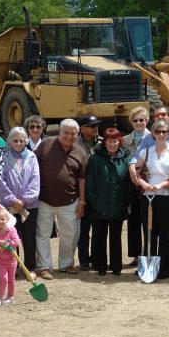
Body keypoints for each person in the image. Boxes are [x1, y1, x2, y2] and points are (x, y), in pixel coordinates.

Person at [130, 106, 169, 275]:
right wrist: (143, 184)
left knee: (166, 232)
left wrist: (160, 186)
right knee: (150, 231)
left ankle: (165, 267)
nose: (162, 135)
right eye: (158, 132)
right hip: (148, 196)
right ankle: (148, 265)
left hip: (167, 195)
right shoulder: (146, 150)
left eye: (165, 132)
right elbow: (136, 168)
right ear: (153, 134)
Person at [34, 119, 87, 278]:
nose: (69, 136)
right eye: (66, 132)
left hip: (70, 200)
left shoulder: (80, 152)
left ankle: (66, 264)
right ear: (59, 132)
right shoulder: (45, 145)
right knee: (42, 234)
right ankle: (44, 266)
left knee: (70, 235)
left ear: (77, 135)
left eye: (73, 134)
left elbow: (82, 179)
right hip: (44, 199)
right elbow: (33, 168)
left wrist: (82, 202)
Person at [85, 128, 132, 276]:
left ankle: (116, 266)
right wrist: (94, 200)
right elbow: (89, 184)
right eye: (109, 141)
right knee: (99, 236)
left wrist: (126, 201)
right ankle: (100, 266)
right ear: (104, 143)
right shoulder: (95, 158)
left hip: (118, 205)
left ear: (120, 142)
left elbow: (128, 183)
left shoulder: (126, 159)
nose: (112, 144)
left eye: (115, 140)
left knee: (116, 236)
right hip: (99, 206)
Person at [0, 127, 40, 272]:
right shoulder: (4, 157)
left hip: (29, 206)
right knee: (11, 238)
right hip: (9, 206)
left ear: (25, 141)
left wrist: (24, 200)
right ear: (10, 141)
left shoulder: (32, 157)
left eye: (21, 140)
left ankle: (30, 268)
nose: (18, 143)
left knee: (29, 237)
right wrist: (12, 200)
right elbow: (1, 182)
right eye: (15, 140)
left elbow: (35, 180)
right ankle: (13, 268)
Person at [123, 106, 150, 268]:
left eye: (142, 120)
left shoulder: (155, 138)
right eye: (135, 120)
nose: (139, 123)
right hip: (131, 186)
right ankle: (136, 255)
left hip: (150, 186)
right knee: (133, 222)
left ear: (147, 121)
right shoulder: (125, 141)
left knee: (148, 222)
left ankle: (147, 254)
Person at [75, 115, 102, 270]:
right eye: (91, 126)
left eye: (96, 125)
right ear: (82, 128)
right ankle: (84, 260)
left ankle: (96, 259)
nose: (95, 128)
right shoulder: (75, 144)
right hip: (81, 191)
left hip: (98, 192)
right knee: (83, 230)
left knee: (98, 229)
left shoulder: (102, 142)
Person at [0, 207, 20, 306]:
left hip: (12, 260)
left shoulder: (12, 230)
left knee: (11, 280)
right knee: (3, 279)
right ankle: (1, 299)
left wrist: (7, 244)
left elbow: (16, 242)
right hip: (0, 261)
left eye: (3, 219)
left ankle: (10, 297)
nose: (0, 221)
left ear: (7, 219)